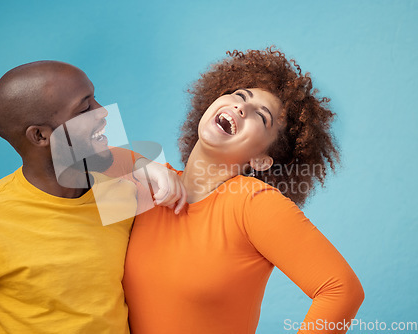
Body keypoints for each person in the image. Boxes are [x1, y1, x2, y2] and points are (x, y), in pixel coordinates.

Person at [0, 60, 185, 334]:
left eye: (95, 98)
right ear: (40, 135)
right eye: (85, 107)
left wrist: (147, 165)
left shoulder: (120, 193)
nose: (102, 112)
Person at [123, 48, 365, 334]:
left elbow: (342, 289)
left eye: (261, 117)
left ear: (261, 159)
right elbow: (64, 151)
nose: (241, 108)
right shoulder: (148, 182)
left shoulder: (252, 202)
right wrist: (137, 163)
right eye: (240, 96)